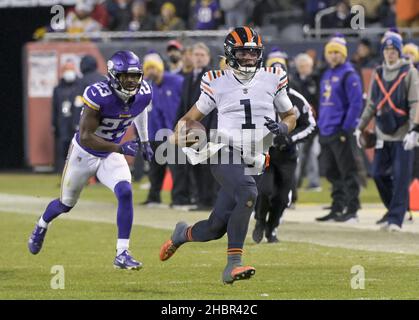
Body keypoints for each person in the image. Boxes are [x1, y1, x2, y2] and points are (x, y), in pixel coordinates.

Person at [159, 27, 296, 284]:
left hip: (255, 158)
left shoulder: (273, 77)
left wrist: (283, 127)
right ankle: (233, 264)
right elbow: (189, 119)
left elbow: (291, 116)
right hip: (224, 150)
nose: (248, 58)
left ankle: (181, 234)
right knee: (248, 193)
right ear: (230, 53)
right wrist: (180, 134)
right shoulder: (216, 80)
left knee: (215, 227)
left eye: (253, 53)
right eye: (243, 53)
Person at [28, 51, 154, 270]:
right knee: (65, 204)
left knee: (125, 192)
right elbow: (86, 136)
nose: (132, 81)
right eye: (126, 76)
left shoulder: (143, 91)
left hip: (111, 153)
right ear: (114, 76)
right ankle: (42, 224)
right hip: (84, 153)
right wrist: (120, 147)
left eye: (135, 76)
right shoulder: (98, 95)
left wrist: (145, 141)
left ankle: (122, 253)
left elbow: (140, 109)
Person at [355, 33, 419, 230]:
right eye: (387, 50)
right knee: (378, 173)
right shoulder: (379, 72)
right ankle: (394, 210)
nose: (390, 54)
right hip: (383, 132)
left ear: (399, 52)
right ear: (383, 52)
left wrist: (415, 130)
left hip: (403, 133)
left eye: (394, 51)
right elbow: (372, 103)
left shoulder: (409, 71)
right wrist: (360, 127)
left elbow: (415, 103)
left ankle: (395, 220)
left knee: (401, 177)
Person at [253, 81, 317, 244]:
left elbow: (310, 125)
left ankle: (271, 227)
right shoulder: (257, 95)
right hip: (264, 152)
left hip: (287, 155)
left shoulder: (296, 99)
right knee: (264, 190)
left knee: (282, 198)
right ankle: (260, 220)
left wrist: (289, 138)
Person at [316, 34, 363, 223]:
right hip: (326, 129)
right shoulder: (327, 74)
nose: (333, 56)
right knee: (330, 171)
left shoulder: (349, 74)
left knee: (348, 170)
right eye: (330, 52)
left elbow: (356, 103)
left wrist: (346, 128)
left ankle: (352, 209)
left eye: (337, 52)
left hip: (340, 130)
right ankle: (337, 207)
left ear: (343, 54)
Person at [174, 42, 216, 210]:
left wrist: (212, 130)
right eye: (196, 54)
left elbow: (214, 108)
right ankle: (200, 199)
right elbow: (183, 105)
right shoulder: (188, 77)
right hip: (191, 130)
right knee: (195, 166)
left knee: (207, 167)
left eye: (202, 55)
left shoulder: (213, 77)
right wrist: (177, 126)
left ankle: (208, 200)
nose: (198, 58)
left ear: (208, 58)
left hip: (205, 129)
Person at [141, 53, 184, 206]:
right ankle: (154, 197)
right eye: (148, 68)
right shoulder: (145, 86)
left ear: (160, 68)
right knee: (154, 169)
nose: (151, 71)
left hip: (173, 132)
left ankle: (179, 198)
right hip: (154, 133)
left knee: (176, 168)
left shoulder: (176, 81)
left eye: (153, 67)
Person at [52, 61, 82, 173]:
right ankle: (64, 174)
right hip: (63, 123)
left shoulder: (80, 86)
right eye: (67, 69)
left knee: (78, 150)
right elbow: (54, 108)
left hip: (76, 124)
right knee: (64, 151)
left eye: (71, 69)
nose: (69, 72)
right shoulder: (58, 88)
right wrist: (54, 124)